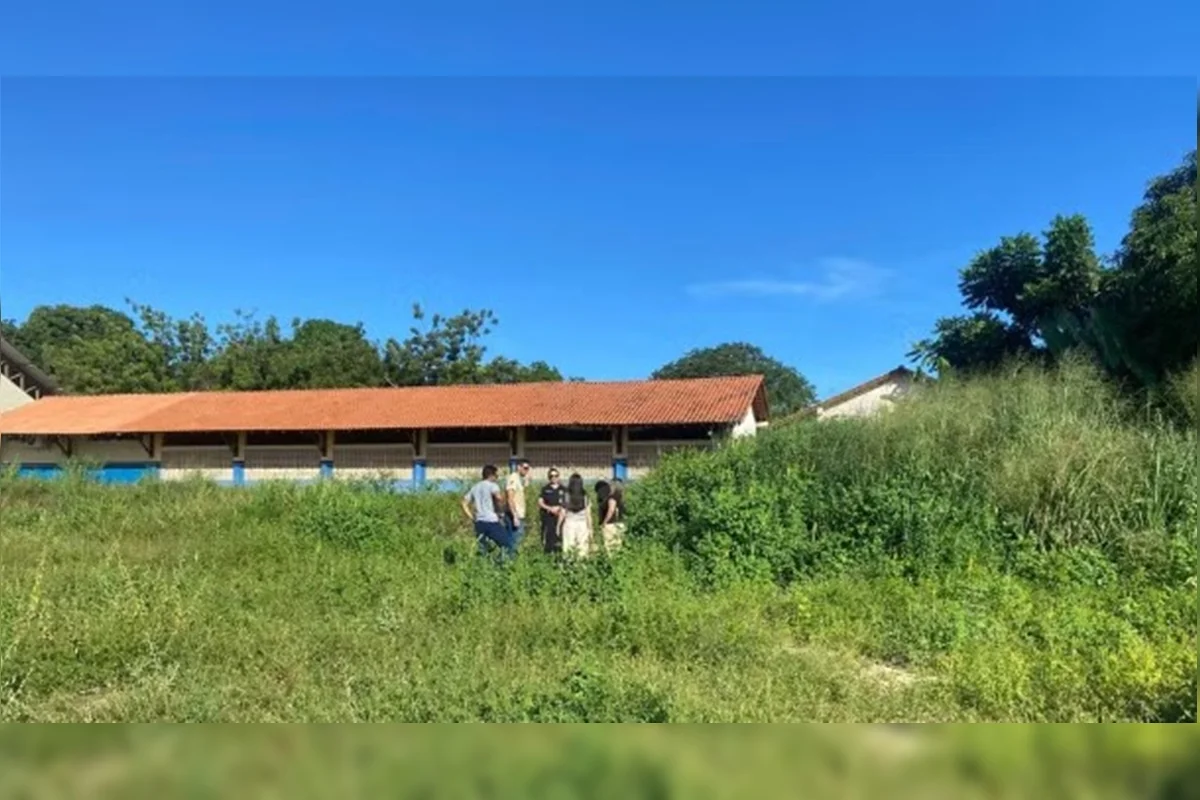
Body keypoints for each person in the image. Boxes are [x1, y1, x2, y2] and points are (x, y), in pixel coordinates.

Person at [461, 464, 514, 558]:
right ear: (491, 475)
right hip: (491, 521)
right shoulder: (493, 486)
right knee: (506, 544)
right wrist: (501, 512)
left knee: (483, 548)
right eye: (496, 476)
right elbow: (498, 498)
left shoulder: (475, 487)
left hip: (479, 522)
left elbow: (464, 503)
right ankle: (502, 564)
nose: (497, 478)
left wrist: (472, 517)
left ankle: (484, 566)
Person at [558, 473, 593, 558]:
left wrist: (558, 525)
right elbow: (588, 514)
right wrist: (591, 528)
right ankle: (582, 565)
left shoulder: (567, 495)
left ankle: (568, 564)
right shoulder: (585, 495)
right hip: (582, 524)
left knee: (568, 545)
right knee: (582, 547)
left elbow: (563, 512)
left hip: (569, 522)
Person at [537, 467, 567, 554]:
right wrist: (549, 508)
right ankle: (548, 555)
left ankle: (559, 554)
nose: (554, 477)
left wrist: (560, 508)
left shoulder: (564, 489)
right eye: (551, 476)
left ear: (559, 476)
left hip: (560, 516)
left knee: (560, 536)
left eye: (556, 475)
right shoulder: (545, 489)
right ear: (549, 477)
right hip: (548, 517)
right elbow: (540, 502)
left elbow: (567, 502)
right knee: (549, 536)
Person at [505, 458, 532, 548]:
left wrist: (526, 483)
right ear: (518, 467)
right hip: (515, 515)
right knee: (515, 541)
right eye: (525, 468)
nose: (527, 471)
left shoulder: (519, 480)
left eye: (528, 468)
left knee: (518, 540)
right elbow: (510, 498)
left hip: (520, 514)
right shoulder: (513, 478)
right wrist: (514, 515)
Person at [599, 479, 626, 552]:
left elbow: (611, 510)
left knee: (610, 547)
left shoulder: (612, 497)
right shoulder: (621, 497)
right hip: (620, 524)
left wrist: (604, 522)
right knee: (618, 547)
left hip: (611, 524)